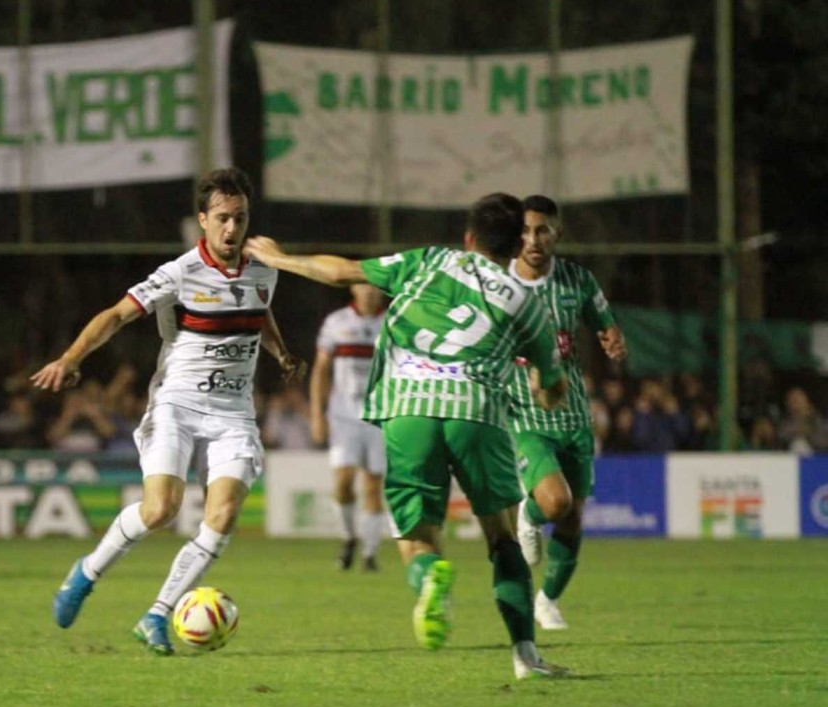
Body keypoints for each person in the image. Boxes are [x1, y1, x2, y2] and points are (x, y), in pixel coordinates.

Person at [246, 192, 570, 680]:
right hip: (475, 412)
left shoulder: (430, 260)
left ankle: (428, 579)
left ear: (468, 238)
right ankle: (526, 657)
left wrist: (276, 258)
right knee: (501, 538)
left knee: (417, 539)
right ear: (515, 245)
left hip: (408, 409)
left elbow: (341, 273)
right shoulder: (527, 301)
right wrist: (546, 395)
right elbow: (551, 388)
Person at [33, 167, 306, 655]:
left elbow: (259, 311)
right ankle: (87, 572)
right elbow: (116, 315)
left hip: (233, 413)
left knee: (222, 516)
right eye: (222, 218)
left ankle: (157, 614)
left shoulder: (265, 266)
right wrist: (71, 358)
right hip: (177, 403)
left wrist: (280, 353)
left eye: (240, 218)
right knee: (161, 509)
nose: (231, 228)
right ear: (203, 220)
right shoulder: (180, 273)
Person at [504, 195, 628, 631]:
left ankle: (547, 600)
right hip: (524, 416)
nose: (532, 240)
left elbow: (604, 324)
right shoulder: (499, 284)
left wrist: (613, 339)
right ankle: (530, 513)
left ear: (558, 233)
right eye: (524, 231)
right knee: (556, 502)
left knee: (573, 518)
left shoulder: (576, 280)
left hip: (574, 415)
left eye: (542, 230)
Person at [310, 283, 388, 571]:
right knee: (343, 483)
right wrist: (317, 414)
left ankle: (369, 553)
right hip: (343, 417)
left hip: (380, 416)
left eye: (374, 287)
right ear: (353, 289)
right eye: (363, 285)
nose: (369, 291)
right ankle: (348, 537)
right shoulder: (337, 322)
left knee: (373, 486)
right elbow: (321, 369)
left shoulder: (391, 323)